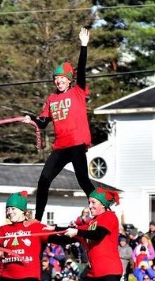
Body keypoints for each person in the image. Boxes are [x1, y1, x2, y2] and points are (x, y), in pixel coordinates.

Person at [24, 28, 95, 221]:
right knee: (44, 180)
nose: (58, 81)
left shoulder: (78, 91)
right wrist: (32, 119)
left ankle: (100, 209)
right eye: (56, 79)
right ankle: (38, 219)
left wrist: (83, 46)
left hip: (77, 144)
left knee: (83, 180)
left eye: (62, 78)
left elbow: (82, 67)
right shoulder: (51, 99)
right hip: (61, 147)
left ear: (69, 80)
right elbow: (43, 122)